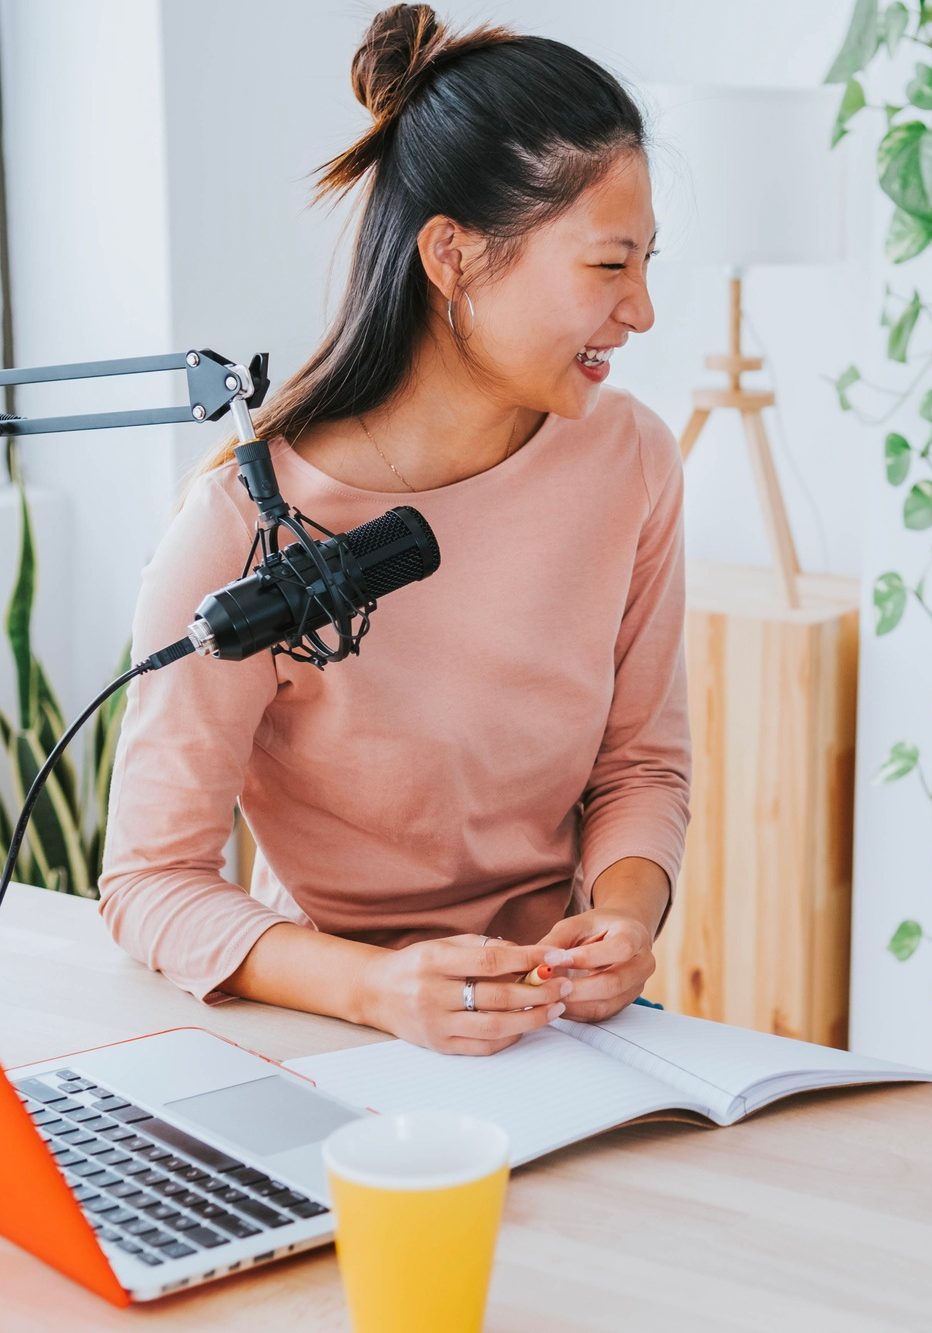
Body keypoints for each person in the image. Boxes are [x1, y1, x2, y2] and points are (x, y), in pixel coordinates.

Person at [99, 5, 688, 1057]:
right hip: (333, 1029)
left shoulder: (629, 459)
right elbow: (151, 881)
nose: (641, 310)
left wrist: (627, 916)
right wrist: (380, 990)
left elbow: (640, 764)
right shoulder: (244, 529)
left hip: (569, 1029)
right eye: (608, 267)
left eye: (647, 263)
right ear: (454, 257)